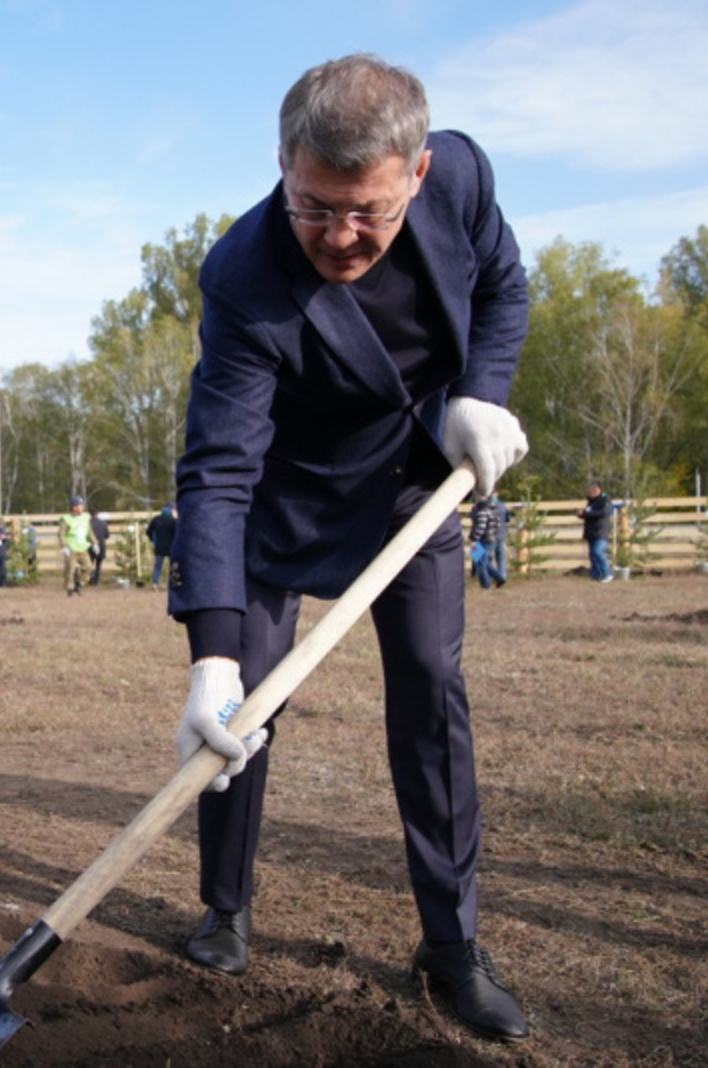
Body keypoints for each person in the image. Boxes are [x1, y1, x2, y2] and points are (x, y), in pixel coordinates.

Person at [167, 55, 530, 1042]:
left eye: (365, 210)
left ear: (415, 176)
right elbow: (217, 469)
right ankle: (225, 908)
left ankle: (451, 943)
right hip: (276, 501)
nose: (337, 235)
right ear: (282, 164)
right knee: (242, 715)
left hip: (410, 479)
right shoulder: (243, 275)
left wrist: (480, 395)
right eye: (312, 205)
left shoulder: (461, 181)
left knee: (428, 690)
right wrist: (211, 652)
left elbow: (502, 286)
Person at [57, 496, 99, 596]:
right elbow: (61, 534)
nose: (83, 507)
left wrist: (95, 543)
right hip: (71, 549)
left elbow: (89, 532)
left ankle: (79, 584)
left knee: (88, 568)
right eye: (80, 505)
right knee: (70, 570)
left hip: (83, 548)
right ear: (74, 507)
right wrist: (64, 546)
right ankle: (70, 590)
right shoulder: (66, 519)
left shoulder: (85, 517)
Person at [577, 483, 614, 582]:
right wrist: (581, 514)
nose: (588, 494)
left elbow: (603, 513)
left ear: (596, 491)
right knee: (592, 555)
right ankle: (596, 576)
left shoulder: (605, 500)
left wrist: (586, 513)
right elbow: (589, 514)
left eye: (589, 492)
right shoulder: (590, 502)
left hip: (600, 531)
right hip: (591, 532)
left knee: (598, 551)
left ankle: (607, 573)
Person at [468, 494, 506, 589]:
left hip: (483, 540)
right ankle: (498, 578)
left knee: (480, 562)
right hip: (491, 539)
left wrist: (473, 538)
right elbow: (497, 524)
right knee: (482, 561)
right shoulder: (493, 510)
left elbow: (480, 527)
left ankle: (486, 584)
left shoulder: (482, 512)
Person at [146, 504, 177, 590]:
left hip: (159, 547)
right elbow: (178, 534)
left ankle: (154, 583)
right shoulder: (173, 521)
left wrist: (153, 540)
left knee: (157, 566)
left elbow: (148, 531)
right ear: (170, 511)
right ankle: (173, 584)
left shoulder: (156, 520)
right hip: (171, 547)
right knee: (173, 566)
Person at [489, 493, 511, 582]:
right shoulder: (502, 506)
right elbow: (507, 519)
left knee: (488, 557)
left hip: (489, 535)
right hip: (500, 534)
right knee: (500, 557)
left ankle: (491, 575)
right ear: (497, 494)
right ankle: (502, 575)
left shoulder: (485, 505)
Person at [88, 511, 111, 585]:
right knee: (98, 564)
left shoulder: (88, 523)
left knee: (89, 563)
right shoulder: (103, 523)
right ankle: (96, 581)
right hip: (101, 545)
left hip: (90, 545)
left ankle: (90, 579)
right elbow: (107, 535)